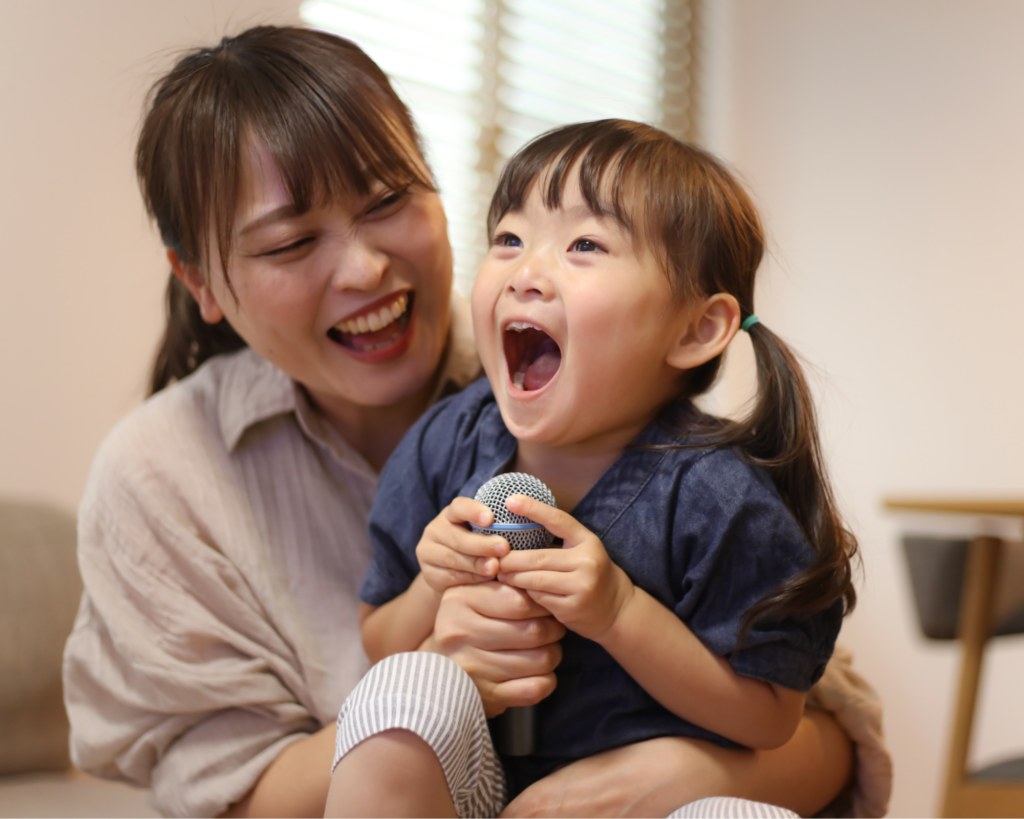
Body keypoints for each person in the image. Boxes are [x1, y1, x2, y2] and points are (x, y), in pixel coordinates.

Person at [61, 25, 885, 819]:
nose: (365, 268)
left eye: (388, 199)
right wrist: (431, 674)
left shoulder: (631, 419)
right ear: (200, 281)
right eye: (290, 242)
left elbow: (811, 709)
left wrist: (685, 770)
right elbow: (226, 793)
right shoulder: (161, 474)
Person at [327, 120, 866, 818]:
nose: (526, 272)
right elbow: (378, 638)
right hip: (475, 792)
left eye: (585, 245)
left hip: (645, 800)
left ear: (697, 329)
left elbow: (768, 718)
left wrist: (619, 611)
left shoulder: (722, 499)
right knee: (402, 687)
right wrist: (435, 583)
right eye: (509, 239)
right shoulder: (448, 440)